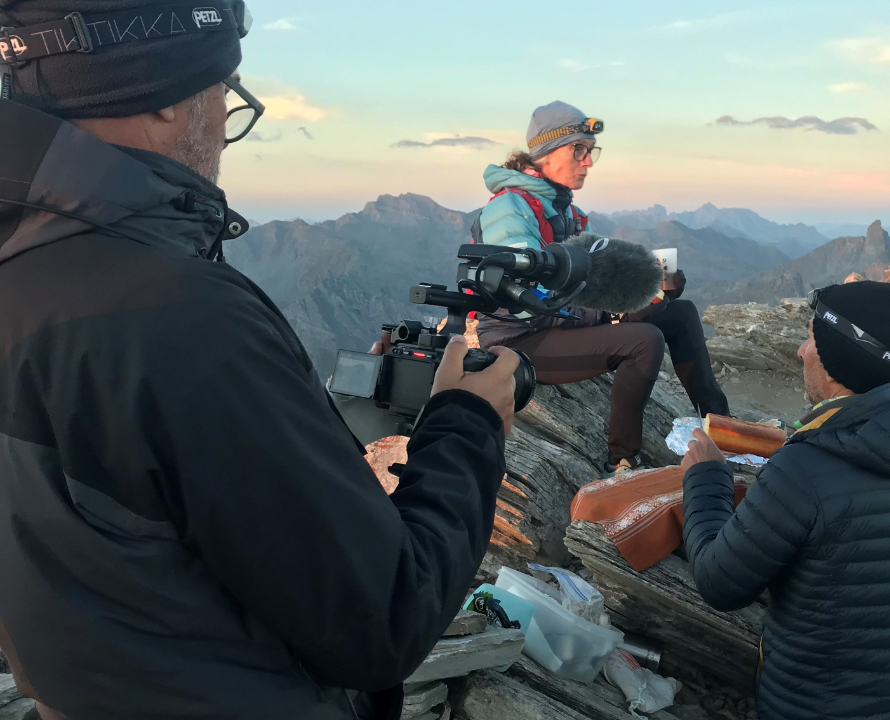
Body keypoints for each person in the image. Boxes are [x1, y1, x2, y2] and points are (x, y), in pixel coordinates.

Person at [0, 3, 517, 719]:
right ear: (162, 101)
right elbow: (384, 618)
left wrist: (309, 432)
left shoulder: (26, 275)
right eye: (220, 91)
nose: (223, 124)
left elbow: (115, 516)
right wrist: (466, 422)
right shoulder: (180, 317)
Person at [680, 281, 890, 720]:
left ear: (839, 362)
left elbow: (718, 582)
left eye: (813, 339)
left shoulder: (803, 470)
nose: (801, 351)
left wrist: (705, 476)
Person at [473, 100, 729, 474]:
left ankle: (721, 425)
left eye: (590, 151)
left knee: (681, 314)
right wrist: (611, 311)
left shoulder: (563, 211)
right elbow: (524, 298)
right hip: (518, 341)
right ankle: (621, 462)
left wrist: (648, 287)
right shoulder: (510, 209)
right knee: (644, 340)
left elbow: (592, 278)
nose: (588, 161)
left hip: (558, 326)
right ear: (546, 151)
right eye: (578, 150)